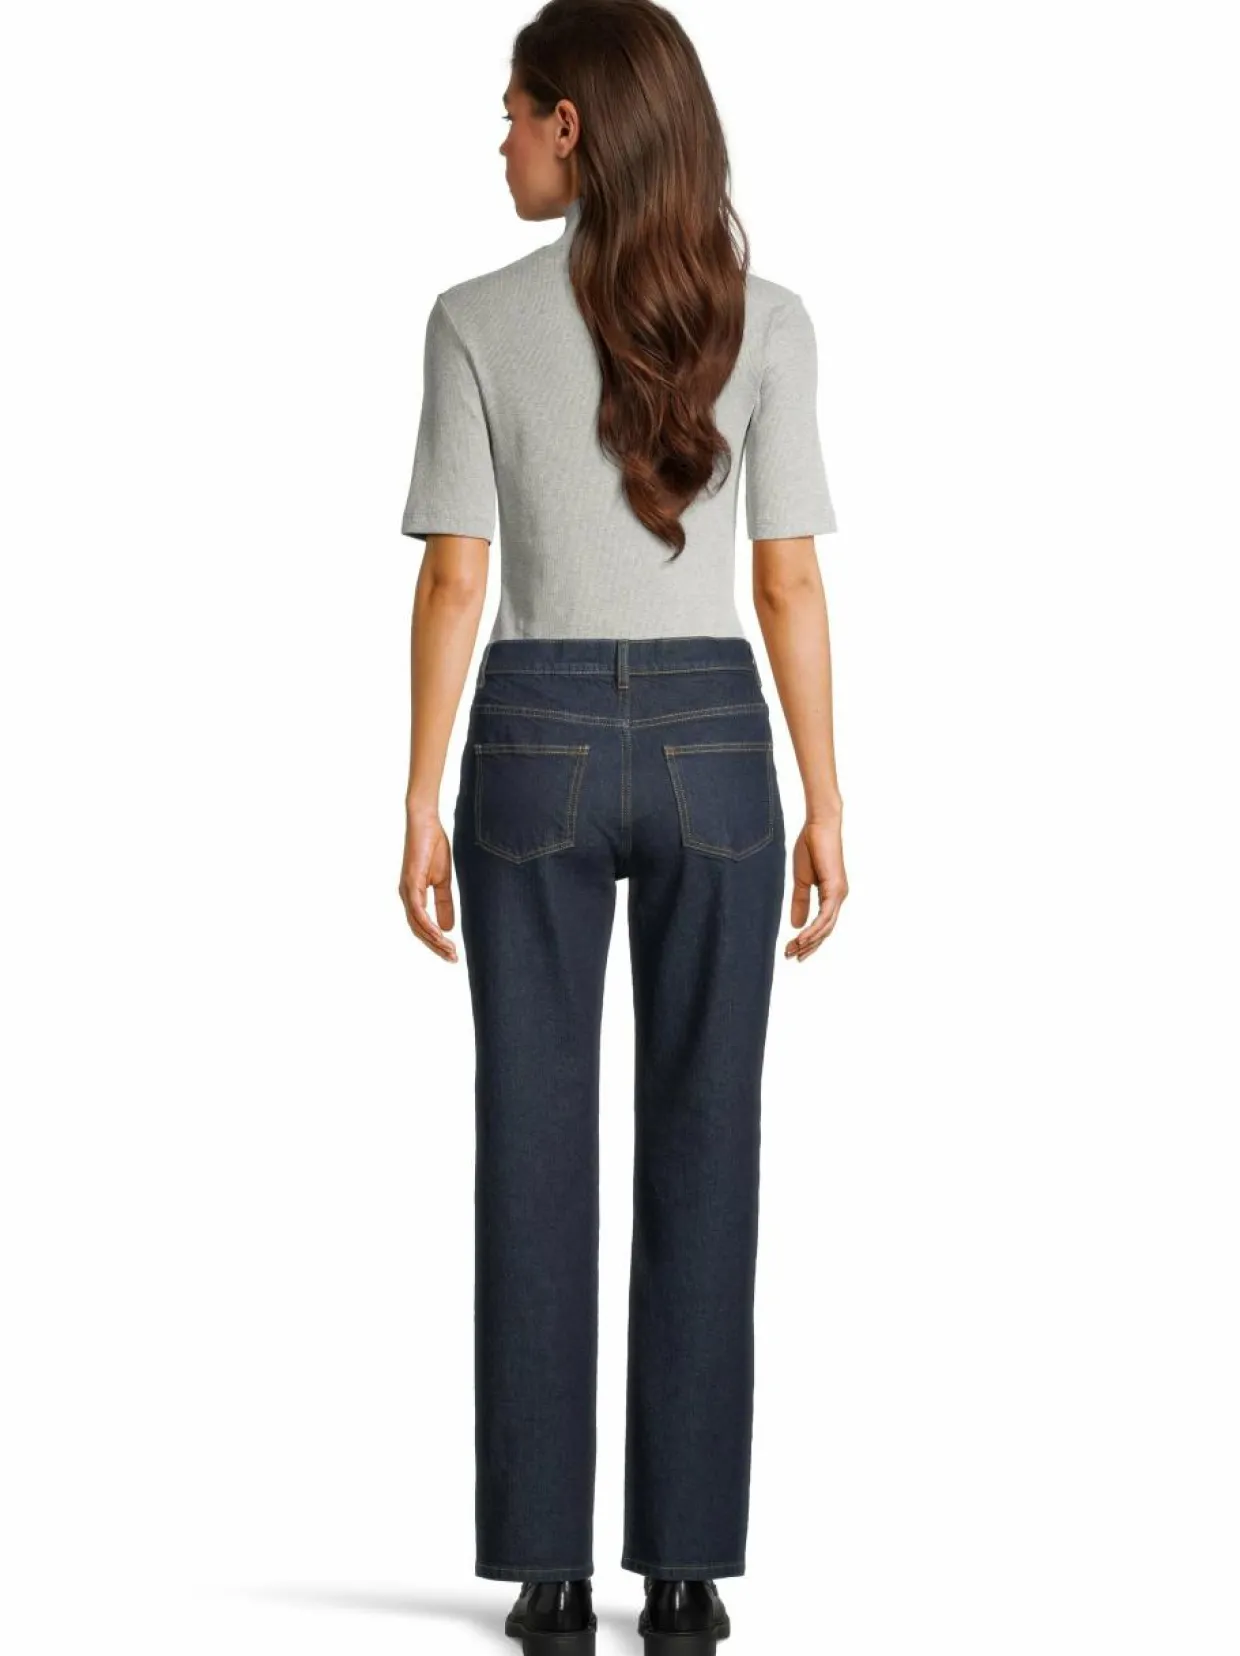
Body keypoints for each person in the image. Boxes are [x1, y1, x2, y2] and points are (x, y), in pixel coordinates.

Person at [397, 3, 848, 1649]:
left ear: (571, 125)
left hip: (532, 739)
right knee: (708, 1139)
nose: (500, 140)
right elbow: (785, 580)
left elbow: (459, 579)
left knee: (531, 1142)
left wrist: (418, 792)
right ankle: (685, 1569)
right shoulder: (766, 320)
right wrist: (824, 792)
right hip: (721, 743)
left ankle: (547, 1568)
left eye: (514, 111)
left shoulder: (472, 319)